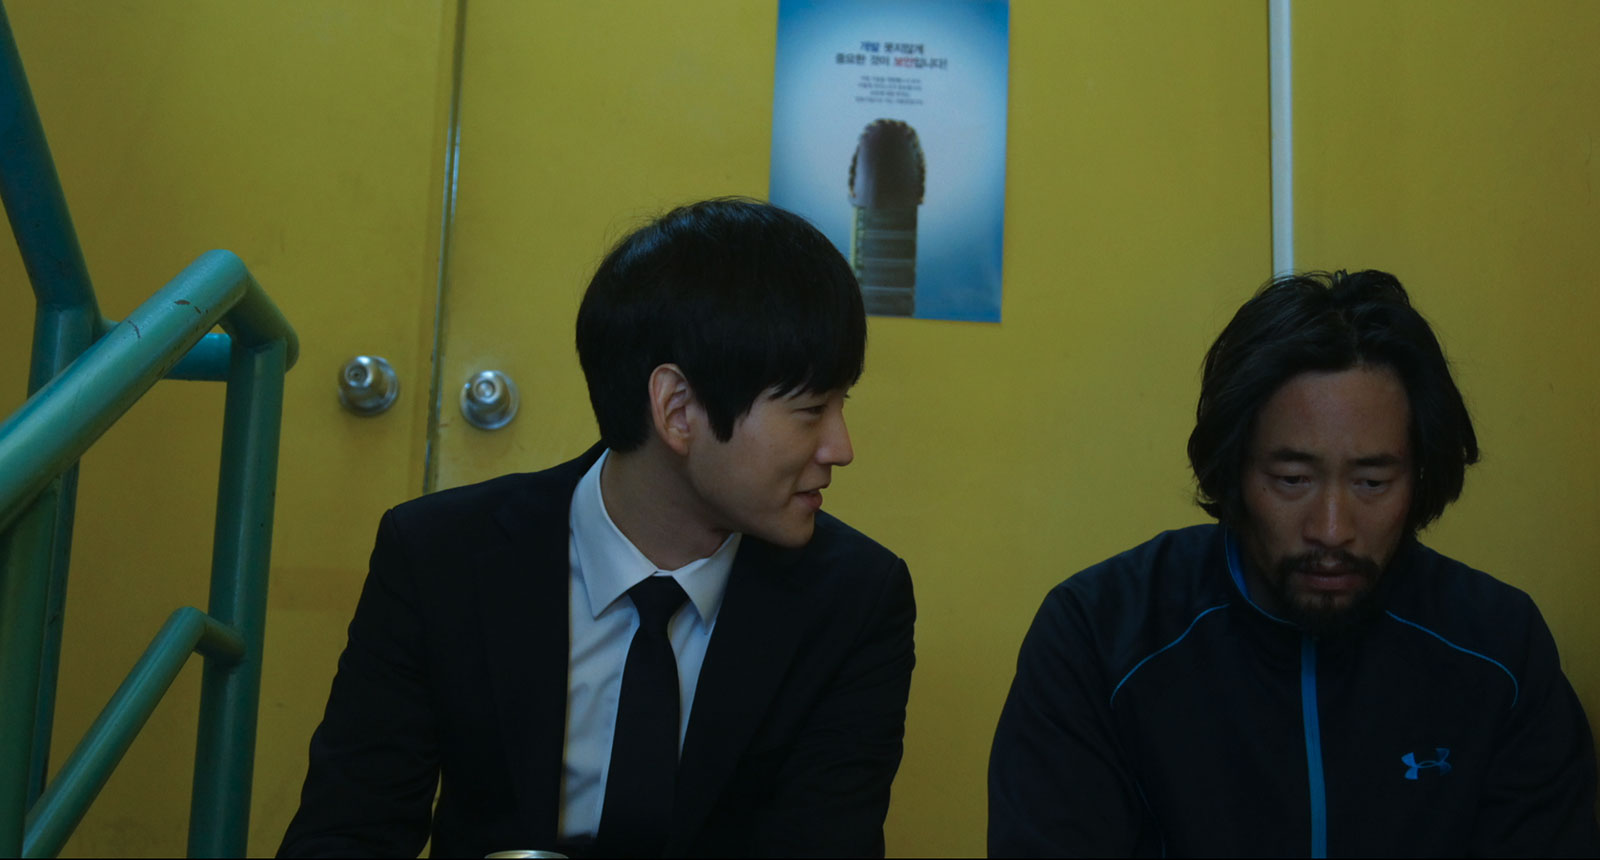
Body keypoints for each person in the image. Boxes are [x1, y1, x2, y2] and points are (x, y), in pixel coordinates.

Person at [279, 199, 916, 858]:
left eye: (841, 404)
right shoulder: (440, 556)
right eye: (811, 410)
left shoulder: (857, 599)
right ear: (677, 410)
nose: (841, 448)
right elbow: (348, 830)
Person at [988, 270, 1599, 857]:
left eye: (1371, 482)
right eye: (1292, 478)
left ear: (1418, 478)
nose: (1331, 529)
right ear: (1233, 469)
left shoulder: (1499, 647)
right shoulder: (1099, 637)